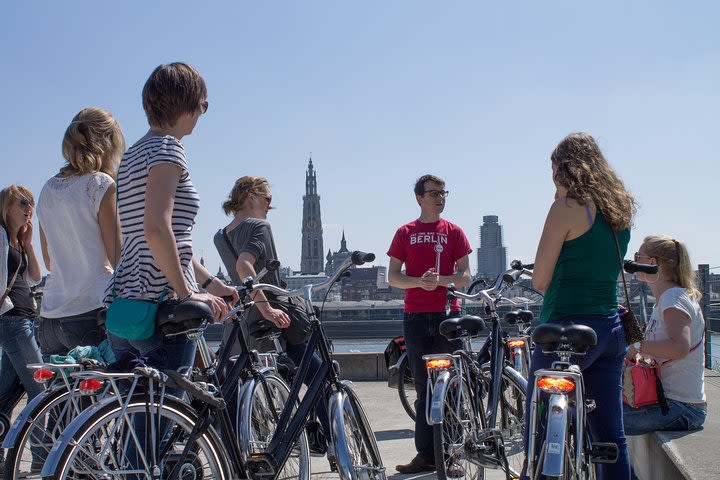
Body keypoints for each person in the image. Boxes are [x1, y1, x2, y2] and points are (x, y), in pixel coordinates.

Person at [105, 62, 235, 370]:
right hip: (162, 306)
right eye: (203, 102)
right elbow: (157, 230)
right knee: (169, 408)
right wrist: (187, 293)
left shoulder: (131, 156)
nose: (204, 110)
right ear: (188, 103)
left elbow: (163, 238)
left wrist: (210, 283)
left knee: (143, 408)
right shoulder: (168, 149)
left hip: (126, 300)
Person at [528, 132, 636, 480]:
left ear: (563, 166)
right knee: (609, 435)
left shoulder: (567, 208)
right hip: (608, 328)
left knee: (541, 432)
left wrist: (559, 199)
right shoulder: (618, 209)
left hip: (564, 328)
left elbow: (540, 280)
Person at [214, 175, 329, 454]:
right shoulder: (259, 227)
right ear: (251, 196)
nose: (270, 204)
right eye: (267, 197)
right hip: (273, 317)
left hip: (241, 322)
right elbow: (244, 267)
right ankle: (330, 440)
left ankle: (228, 455)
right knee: (319, 374)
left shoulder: (220, 234)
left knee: (231, 388)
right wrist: (267, 307)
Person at [387, 174, 472, 474]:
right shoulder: (404, 233)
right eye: (433, 193)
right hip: (415, 317)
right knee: (424, 388)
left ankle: (452, 455)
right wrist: (418, 283)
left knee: (450, 387)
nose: (440, 197)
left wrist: (441, 281)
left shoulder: (454, 232)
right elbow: (393, 277)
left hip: (448, 316)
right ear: (419, 198)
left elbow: (466, 276)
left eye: (443, 192)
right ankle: (426, 455)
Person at [36, 107, 124, 359]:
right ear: (108, 144)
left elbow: (50, 260)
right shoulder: (101, 184)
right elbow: (119, 257)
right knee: (111, 395)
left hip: (51, 316)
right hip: (90, 311)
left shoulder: (48, 188)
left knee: (64, 398)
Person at [622, 235, 706, 434]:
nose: (634, 262)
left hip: (682, 407)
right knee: (599, 414)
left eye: (637, 256)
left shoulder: (673, 297)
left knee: (600, 421)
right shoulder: (668, 298)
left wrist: (637, 347)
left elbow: (679, 347)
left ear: (652, 263)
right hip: (670, 403)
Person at [0, 185, 44, 466]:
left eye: (31, 202)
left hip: (24, 319)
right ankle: (42, 459)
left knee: (7, 393)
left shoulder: (17, 240)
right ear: (7, 206)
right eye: (22, 202)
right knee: (40, 390)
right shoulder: (1, 235)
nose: (29, 207)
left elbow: (36, 279)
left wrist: (28, 244)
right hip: (13, 321)